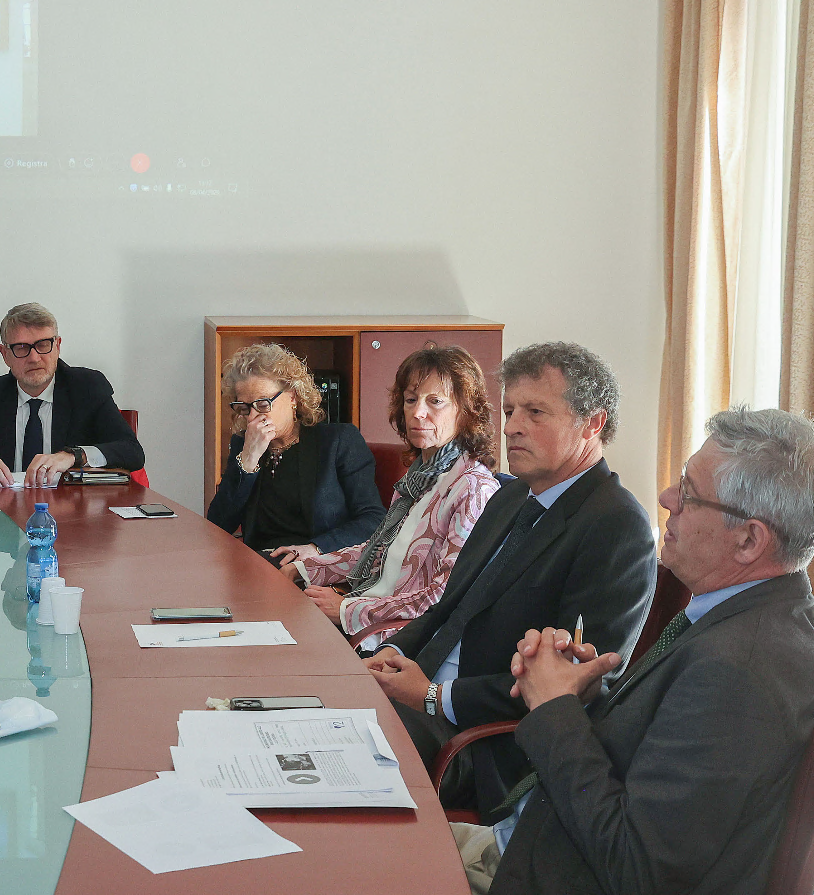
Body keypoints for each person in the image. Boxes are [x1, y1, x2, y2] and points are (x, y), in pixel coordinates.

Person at [457, 407, 814, 895]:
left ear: (749, 540)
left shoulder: (740, 671)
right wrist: (587, 698)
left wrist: (554, 709)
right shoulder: (750, 616)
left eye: (688, 493)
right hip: (526, 845)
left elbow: (637, 869)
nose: (666, 498)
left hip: (536, 873)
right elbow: (656, 749)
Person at [366, 341, 656, 821]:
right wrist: (393, 651)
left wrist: (435, 697)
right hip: (423, 696)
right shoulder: (512, 494)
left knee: (348, 751)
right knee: (328, 710)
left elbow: (574, 685)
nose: (511, 426)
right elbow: (448, 606)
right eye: (509, 411)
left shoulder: (617, 527)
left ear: (592, 423)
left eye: (535, 412)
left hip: (485, 746)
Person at [276, 346, 500, 641]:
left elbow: (445, 595)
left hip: (398, 638)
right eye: (411, 399)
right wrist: (304, 568)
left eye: (435, 401)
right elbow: (379, 552)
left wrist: (346, 609)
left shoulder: (473, 488)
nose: (418, 413)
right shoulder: (419, 476)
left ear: (466, 411)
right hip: (364, 610)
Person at [205, 343, 385, 564]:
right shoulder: (244, 445)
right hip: (259, 564)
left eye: (263, 404)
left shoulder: (338, 441)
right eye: (244, 407)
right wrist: (249, 460)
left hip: (317, 564)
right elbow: (218, 525)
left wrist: (316, 549)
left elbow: (373, 519)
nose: (252, 417)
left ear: (293, 396)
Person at [0, 302, 144, 487]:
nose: (34, 358)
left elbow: (131, 451)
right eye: (21, 348)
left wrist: (73, 456)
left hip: (72, 510)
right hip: (3, 509)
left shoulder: (87, 387)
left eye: (43, 345)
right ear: (5, 354)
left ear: (58, 346)